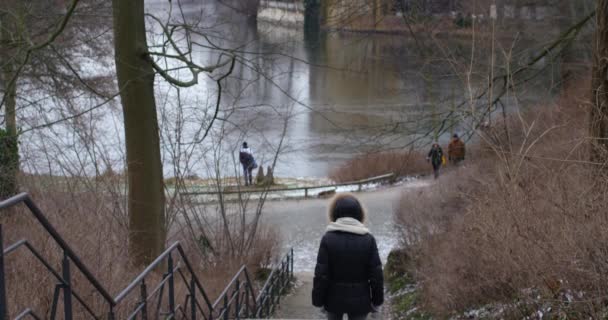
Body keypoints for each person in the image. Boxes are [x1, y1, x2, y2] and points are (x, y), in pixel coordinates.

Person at [312, 193, 384, 320]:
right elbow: (376, 275)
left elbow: (321, 274)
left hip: (333, 300)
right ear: (360, 214)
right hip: (360, 301)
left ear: (334, 213)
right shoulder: (368, 240)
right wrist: (377, 302)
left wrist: (319, 301)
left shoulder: (328, 239)